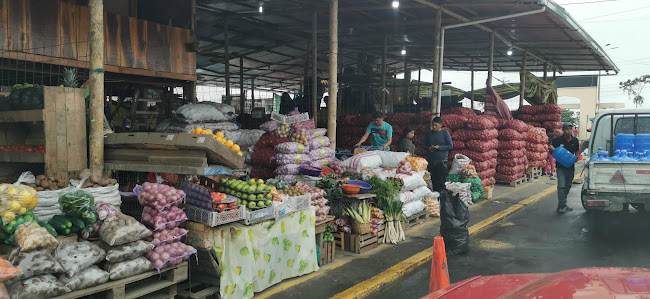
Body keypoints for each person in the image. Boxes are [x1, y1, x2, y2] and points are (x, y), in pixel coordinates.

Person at [549, 122, 580, 214]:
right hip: (560, 167)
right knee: (561, 186)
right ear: (563, 130)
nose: (569, 131)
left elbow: (577, 151)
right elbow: (551, 149)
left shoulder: (575, 140)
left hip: (570, 167)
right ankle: (561, 206)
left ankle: (563, 203)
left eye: (570, 129)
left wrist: (577, 157)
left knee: (568, 185)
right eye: (567, 129)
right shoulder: (557, 140)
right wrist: (552, 150)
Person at [422, 117, 453, 192]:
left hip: (441, 161)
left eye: (436, 125)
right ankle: (435, 198)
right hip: (431, 161)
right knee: (433, 181)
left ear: (441, 125)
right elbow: (423, 145)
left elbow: (450, 146)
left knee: (441, 181)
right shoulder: (429, 133)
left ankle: (442, 198)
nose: (434, 127)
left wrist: (439, 147)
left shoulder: (445, 133)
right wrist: (429, 148)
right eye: (433, 125)